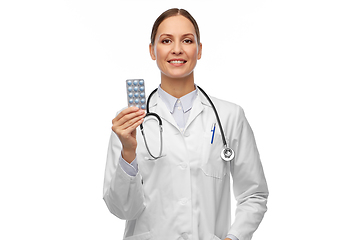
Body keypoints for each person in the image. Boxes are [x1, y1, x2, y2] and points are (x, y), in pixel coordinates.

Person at [103, 8, 268, 240]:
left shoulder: (229, 116)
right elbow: (122, 209)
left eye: (187, 40)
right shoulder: (129, 122)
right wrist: (128, 152)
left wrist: (235, 237)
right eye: (166, 40)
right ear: (152, 50)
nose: (177, 49)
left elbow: (254, 194)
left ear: (199, 50)